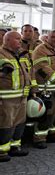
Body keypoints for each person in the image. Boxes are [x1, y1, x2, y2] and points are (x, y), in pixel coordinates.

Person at [0, 31, 31, 162]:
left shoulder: (20, 54)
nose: (20, 41)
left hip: (21, 96)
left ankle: (15, 147)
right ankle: (1, 151)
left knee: (19, 123)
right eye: (17, 39)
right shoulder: (1, 53)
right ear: (7, 40)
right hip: (6, 98)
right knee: (5, 124)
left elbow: (29, 73)